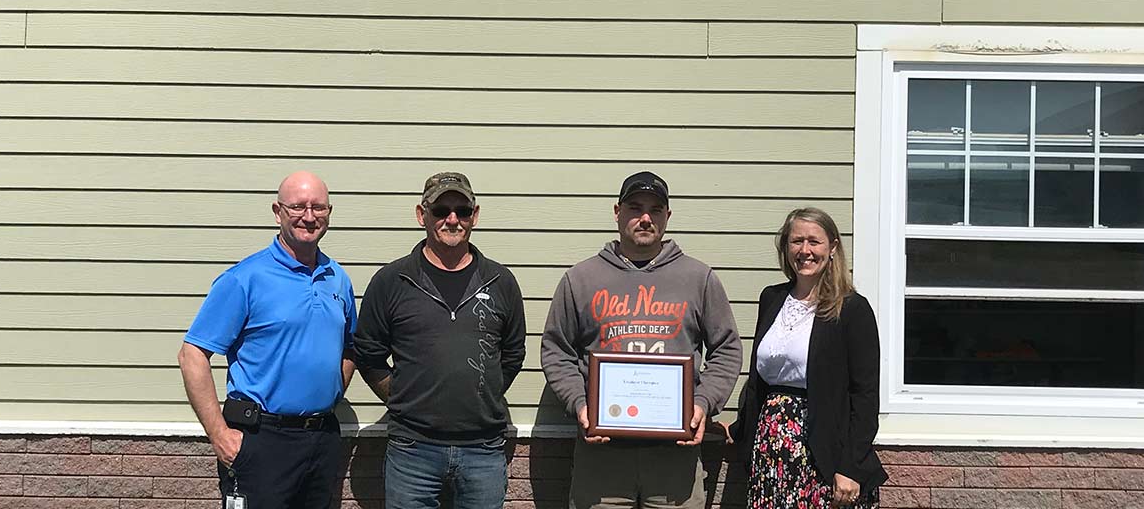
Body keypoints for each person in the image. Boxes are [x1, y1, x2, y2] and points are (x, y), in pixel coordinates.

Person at [540, 171, 743, 509]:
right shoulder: (581, 279)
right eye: (635, 207)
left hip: (674, 458)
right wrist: (580, 404)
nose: (645, 218)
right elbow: (556, 350)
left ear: (667, 217)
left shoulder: (698, 278)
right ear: (617, 212)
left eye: (656, 210)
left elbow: (727, 349)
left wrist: (703, 403)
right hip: (601, 454)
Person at [178, 171, 356, 509]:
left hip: (321, 438)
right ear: (277, 211)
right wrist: (219, 434)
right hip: (261, 440)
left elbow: (349, 347)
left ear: (329, 213)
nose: (309, 216)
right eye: (298, 207)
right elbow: (192, 355)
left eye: (318, 207)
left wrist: (331, 393)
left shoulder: (337, 278)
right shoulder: (245, 278)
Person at [352, 172, 527, 509]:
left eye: (462, 210)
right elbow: (369, 354)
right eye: (441, 210)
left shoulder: (500, 281)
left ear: (474, 216)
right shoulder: (392, 281)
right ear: (422, 214)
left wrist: (481, 392)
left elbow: (513, 353)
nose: (452, 219)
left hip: (483, 449)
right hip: (412, 449)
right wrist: (404, 396)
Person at [730, 207, 887, 509]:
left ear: (832, 248)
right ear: (785, 248)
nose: (805, 251)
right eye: (796, 241)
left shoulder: (851, 309)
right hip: (770, 452)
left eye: (814, 242)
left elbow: (865, 396)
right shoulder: (772, 298)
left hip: (824, 455)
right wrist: (740, 429)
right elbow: (759, 380)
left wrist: (850, 467)